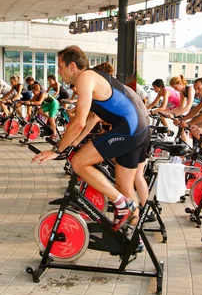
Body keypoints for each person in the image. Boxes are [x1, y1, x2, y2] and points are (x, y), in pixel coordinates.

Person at [32, 46, 151, 236]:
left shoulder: (85, 78)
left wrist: (57, 149)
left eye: (60, 67)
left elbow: (78, 121)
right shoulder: (94, 77)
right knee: (123, 184)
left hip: (129, 129)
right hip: (139, 129)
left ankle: (122, 204)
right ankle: (132, 234)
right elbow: (89, 119)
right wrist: (72, 142)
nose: (59, 72)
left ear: (73, 66)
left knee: (78, 162)